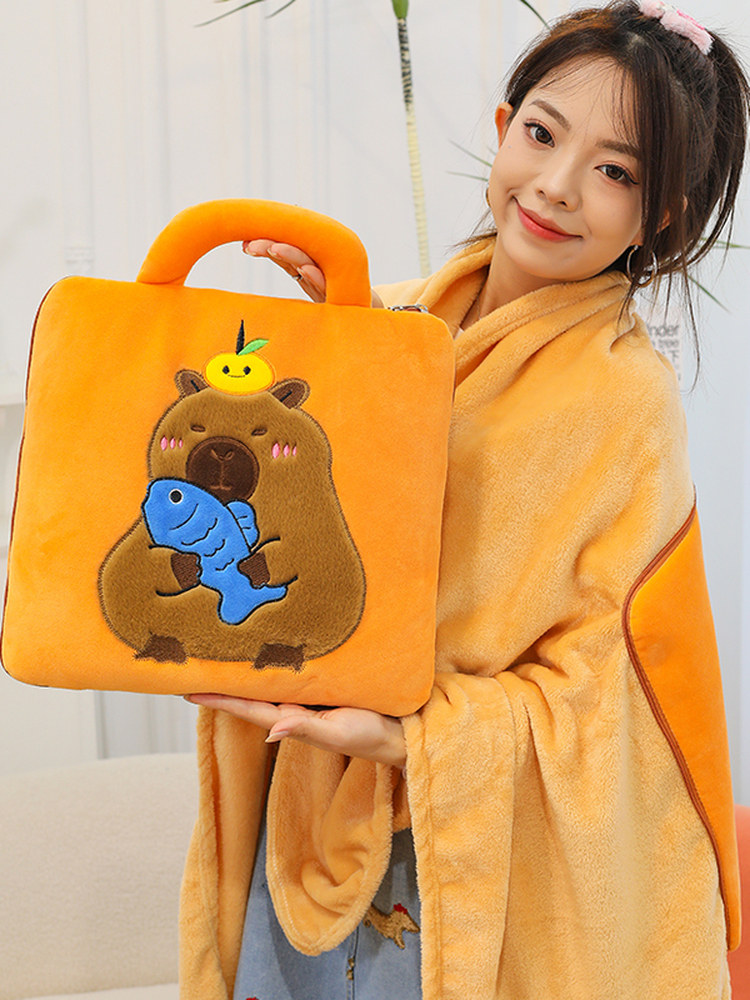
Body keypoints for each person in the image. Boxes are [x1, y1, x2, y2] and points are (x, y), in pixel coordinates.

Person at [181, 2, 750, 997]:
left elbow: (606, 692)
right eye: (543, 133)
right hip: (303, 795)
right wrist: (343, 343)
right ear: (502, 127)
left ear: (659, 213)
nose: (557, 186)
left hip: (451, 849)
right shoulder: (404, 319)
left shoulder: (625, 400)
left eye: (616, 172)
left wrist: (410, 737)